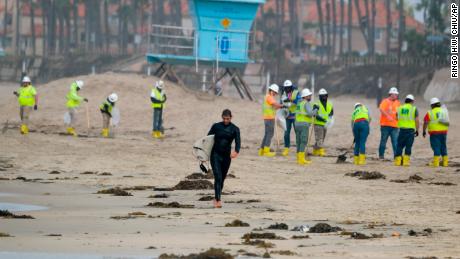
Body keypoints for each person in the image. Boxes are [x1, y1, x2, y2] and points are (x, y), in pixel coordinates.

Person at [207, 109, 240, 208]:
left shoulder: (235, 129)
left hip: (226, 157)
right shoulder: (216, 126)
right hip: (215, 155)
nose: (226, 120)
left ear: (231, 117)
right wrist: (204, 154)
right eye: (224, 118)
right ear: (222, 117)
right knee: (218, 177)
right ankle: (218, 200)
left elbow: (238, 142)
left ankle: (217, 197)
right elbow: (207, 139)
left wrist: (236, 151)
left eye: (228, 119)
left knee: (222, 179)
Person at [259, 84, 284, 157]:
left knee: (266, 134)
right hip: (269, 118)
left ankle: (261, 150)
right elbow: (275, 104)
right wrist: (282, 105)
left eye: (276, 93)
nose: (275, 94)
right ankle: (266, 151)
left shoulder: (267, 97)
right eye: (275, 92)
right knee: (270, 134)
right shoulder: (269, 97)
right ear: (271, 91)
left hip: (267, 118)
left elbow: (273, 107)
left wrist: (280, 107)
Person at [423, 98, 449, 167]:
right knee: (443, 147)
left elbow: (425, 122)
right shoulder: (444, 111)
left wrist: (424, 131)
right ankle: (445, 163)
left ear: (432, 105)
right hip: (444, 132)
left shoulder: (430, 112)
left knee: (436, 147)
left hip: (435, 133)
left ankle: (436, 163)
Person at [394, 95, 419, 166]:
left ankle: (398, 162)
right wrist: (417, 130)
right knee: (408, 146)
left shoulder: (400, 108)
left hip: (402, 130)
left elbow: (396, 118)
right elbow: (417, 120)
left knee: (399, 146)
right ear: (412, 101)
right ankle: (406, 162)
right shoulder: (414, 109)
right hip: (410, 131)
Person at [378, 87, 400, 159]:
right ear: (391, 94)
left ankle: (396, 156)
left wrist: (398, 118)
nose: (396, 96)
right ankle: (381, 156)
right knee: (383, 141)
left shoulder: (397, 102)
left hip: (395, 126)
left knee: (395, 142)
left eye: (397, 95)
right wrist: (387, 116)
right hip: (385, 125)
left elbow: (399, 112)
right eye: (395, 94)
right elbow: (381, 109)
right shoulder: (385, 101)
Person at [294, 88, 315, 165]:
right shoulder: (306, 103)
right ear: (305, 96)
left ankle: (298, 158)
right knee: (303, 141)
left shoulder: (299, 103)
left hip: (297, 124)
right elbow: (310, 113)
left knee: (298, 141)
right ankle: (301, 159)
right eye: (309, 95)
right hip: (304, 125)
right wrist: (315, 110)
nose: (310, 96)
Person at [280, 80, 299, 157]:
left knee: (297, 133)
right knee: (286, 133)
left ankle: (299, 150)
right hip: (287, 116)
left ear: (291, 87)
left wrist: (290, 100)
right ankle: (286, 148)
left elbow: (299, 101)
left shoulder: (296, 92)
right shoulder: (283, 93)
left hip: (295, 116)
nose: (287, 89)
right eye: (285, 88)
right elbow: (281, 102)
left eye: (288, 88)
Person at [312, 88, 334, 156]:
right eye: (322, 96)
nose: (324, 97)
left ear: (327, 96)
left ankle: (315, 150)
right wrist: (322, 119)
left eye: (325, 95)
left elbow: (331, 113)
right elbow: (314, 114)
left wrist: (330, 120)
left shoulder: (330, 104)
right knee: (320, 138)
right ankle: (321, 152)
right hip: (318, 124)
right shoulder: (316, 104)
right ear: (320, 96)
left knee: (321, 138)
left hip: (325, 124)